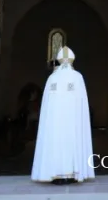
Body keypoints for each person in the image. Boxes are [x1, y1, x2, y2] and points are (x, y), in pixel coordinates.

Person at [31, 46, 94, 185]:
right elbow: (81, 103)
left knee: (55, 143)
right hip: (72, 122)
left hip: (54, 124)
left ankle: (53, 173)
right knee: (71, 143)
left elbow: (47, 105)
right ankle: (72, 172)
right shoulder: (77, 77)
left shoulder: (52, 78)